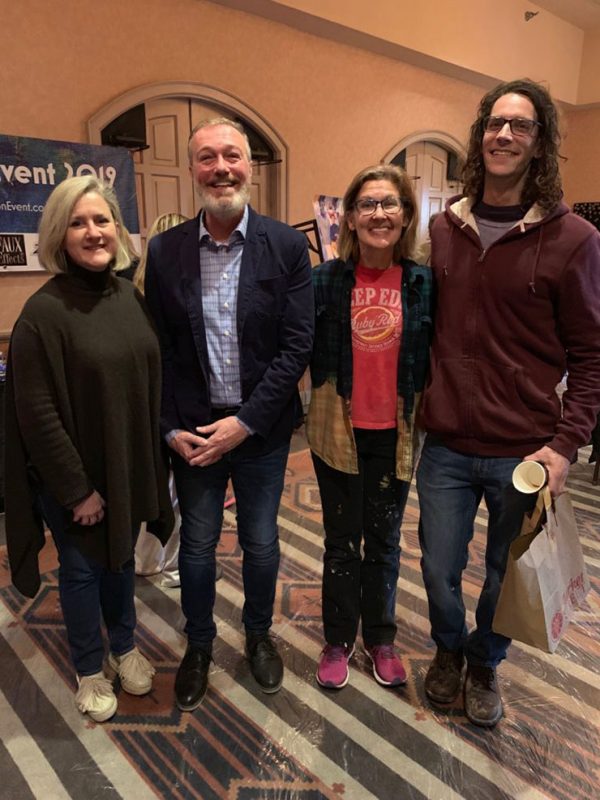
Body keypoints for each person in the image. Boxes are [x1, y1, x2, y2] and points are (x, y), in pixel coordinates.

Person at [416, 79, 600, 727]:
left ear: (540, 143)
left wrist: (565, 444)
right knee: (437, 568)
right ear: (480, 137)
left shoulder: (574, 238)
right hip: (444, 444)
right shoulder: (444, 228)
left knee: (504, 576)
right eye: (495, 123)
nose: (504, 135)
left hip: (524, 452)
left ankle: (484, 661)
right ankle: (447, 649)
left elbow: (591, 355)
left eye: (520, 126)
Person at [144, 117, 314, 711]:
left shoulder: (286, 246)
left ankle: (259, 635)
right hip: (193, 433)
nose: (221, 168)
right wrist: (169, 427)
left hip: (260, 432)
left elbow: (297, 346)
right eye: (208, 157)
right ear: (193, 170)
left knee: (261, 543)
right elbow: (159, 348)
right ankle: (198, 645)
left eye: (232, 155)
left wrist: (244, 424)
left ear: (250, 165)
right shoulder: (164, 251)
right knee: (197, 545)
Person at [5, 176, 174, 723]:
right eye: (78, 223)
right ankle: (88, 667)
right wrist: (78, 491)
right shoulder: (42, 314)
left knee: (121, 560)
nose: (93, 232)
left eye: (102, 220)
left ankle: (123, 647)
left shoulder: (130, 298)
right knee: (81, 571)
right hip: (73, 479)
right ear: (59, 234)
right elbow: (36, 415)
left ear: (118, 230)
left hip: (124, 466)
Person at [306, 164, 433, 689]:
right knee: (341, 542)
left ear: (405, 216)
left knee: (384, 541)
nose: (379, 214)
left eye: (389, 204)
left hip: (396, 431)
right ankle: (337, 640)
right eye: (367, 205)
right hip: (337, 429)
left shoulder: (423, 283)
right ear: (351, 219)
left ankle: (380, 638)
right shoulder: (324, 281)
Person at [130, 212, 189, 585]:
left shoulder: (133, 295)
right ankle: (167, 561)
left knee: (155, 486)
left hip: (151, 406)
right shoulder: (144, 297)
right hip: (169, 406)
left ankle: (149, 559)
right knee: (173, 490)